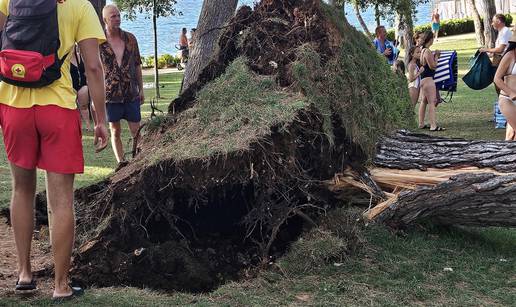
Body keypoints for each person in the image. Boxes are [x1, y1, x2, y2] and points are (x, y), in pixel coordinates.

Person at [0, 0, 108, 300]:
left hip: (13, 105)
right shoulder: (79, 5)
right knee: (61, 201)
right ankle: (60, 286)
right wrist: (101, 118)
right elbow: (94, 67)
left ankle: (24, 274)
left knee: (21, 189)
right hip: (57, 108)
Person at [101, 4, 144, 170]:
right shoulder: (99, 42)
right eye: (113, 16)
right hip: (110, 95)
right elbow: (94, 70)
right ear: (105, 19)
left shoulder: (130, 39)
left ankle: (139, 159)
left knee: (136, 130)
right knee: (115, 130)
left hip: (131, 92)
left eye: (118, 15)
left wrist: (141, 89)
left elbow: (138, 65)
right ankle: (121, 163)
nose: (117, 19)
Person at [419, 31, 445, 131]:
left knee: (424, 101)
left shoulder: (422, 50)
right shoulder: (427, 51)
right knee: (432, 102)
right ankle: (433, 126)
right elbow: (433, 66)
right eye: (433, 38)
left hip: (423, 79)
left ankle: (421, 123)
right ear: (430, 39)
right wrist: (437, 56)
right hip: (429, 80)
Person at [494, 32, 516, 141]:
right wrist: (511, 93)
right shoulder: (510, 55)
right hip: (507, 99)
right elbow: (497, 78)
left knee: (511, 136)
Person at [70, 45, 93, 131]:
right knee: (72, 107)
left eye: (75, 46)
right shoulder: (65, 59)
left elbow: (86, 71)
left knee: (84, 106)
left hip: (82, 85)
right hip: (71, 85)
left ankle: (88, 125)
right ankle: (74, 125)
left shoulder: (80, 57)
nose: (74, 48)